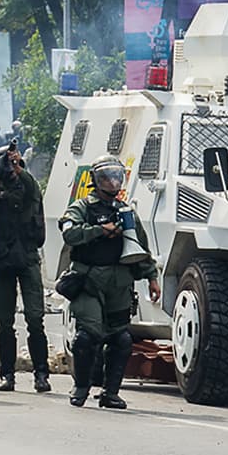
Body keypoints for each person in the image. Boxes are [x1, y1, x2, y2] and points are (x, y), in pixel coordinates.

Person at [59, 155, 159, 409]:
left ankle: (110, 392)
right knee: (87, 336)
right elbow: (69, 232)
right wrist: (98, 231)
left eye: (116, 176)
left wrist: (152, 278)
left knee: (121, 339)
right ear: (96, 180)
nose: (112, 182)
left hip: (119, 281)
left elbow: (140, 246)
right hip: (89, 279)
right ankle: (81, 387)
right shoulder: (82, 207)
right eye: (106, 177)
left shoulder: (126, 212)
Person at [0, 143, 50, 393]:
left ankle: (41, 374)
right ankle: (7, 374)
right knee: (4, 322)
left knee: (35, 318)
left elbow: (31, 186)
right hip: (5, 259)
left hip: (27, 258)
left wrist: (18, 167)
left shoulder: (28, 187)